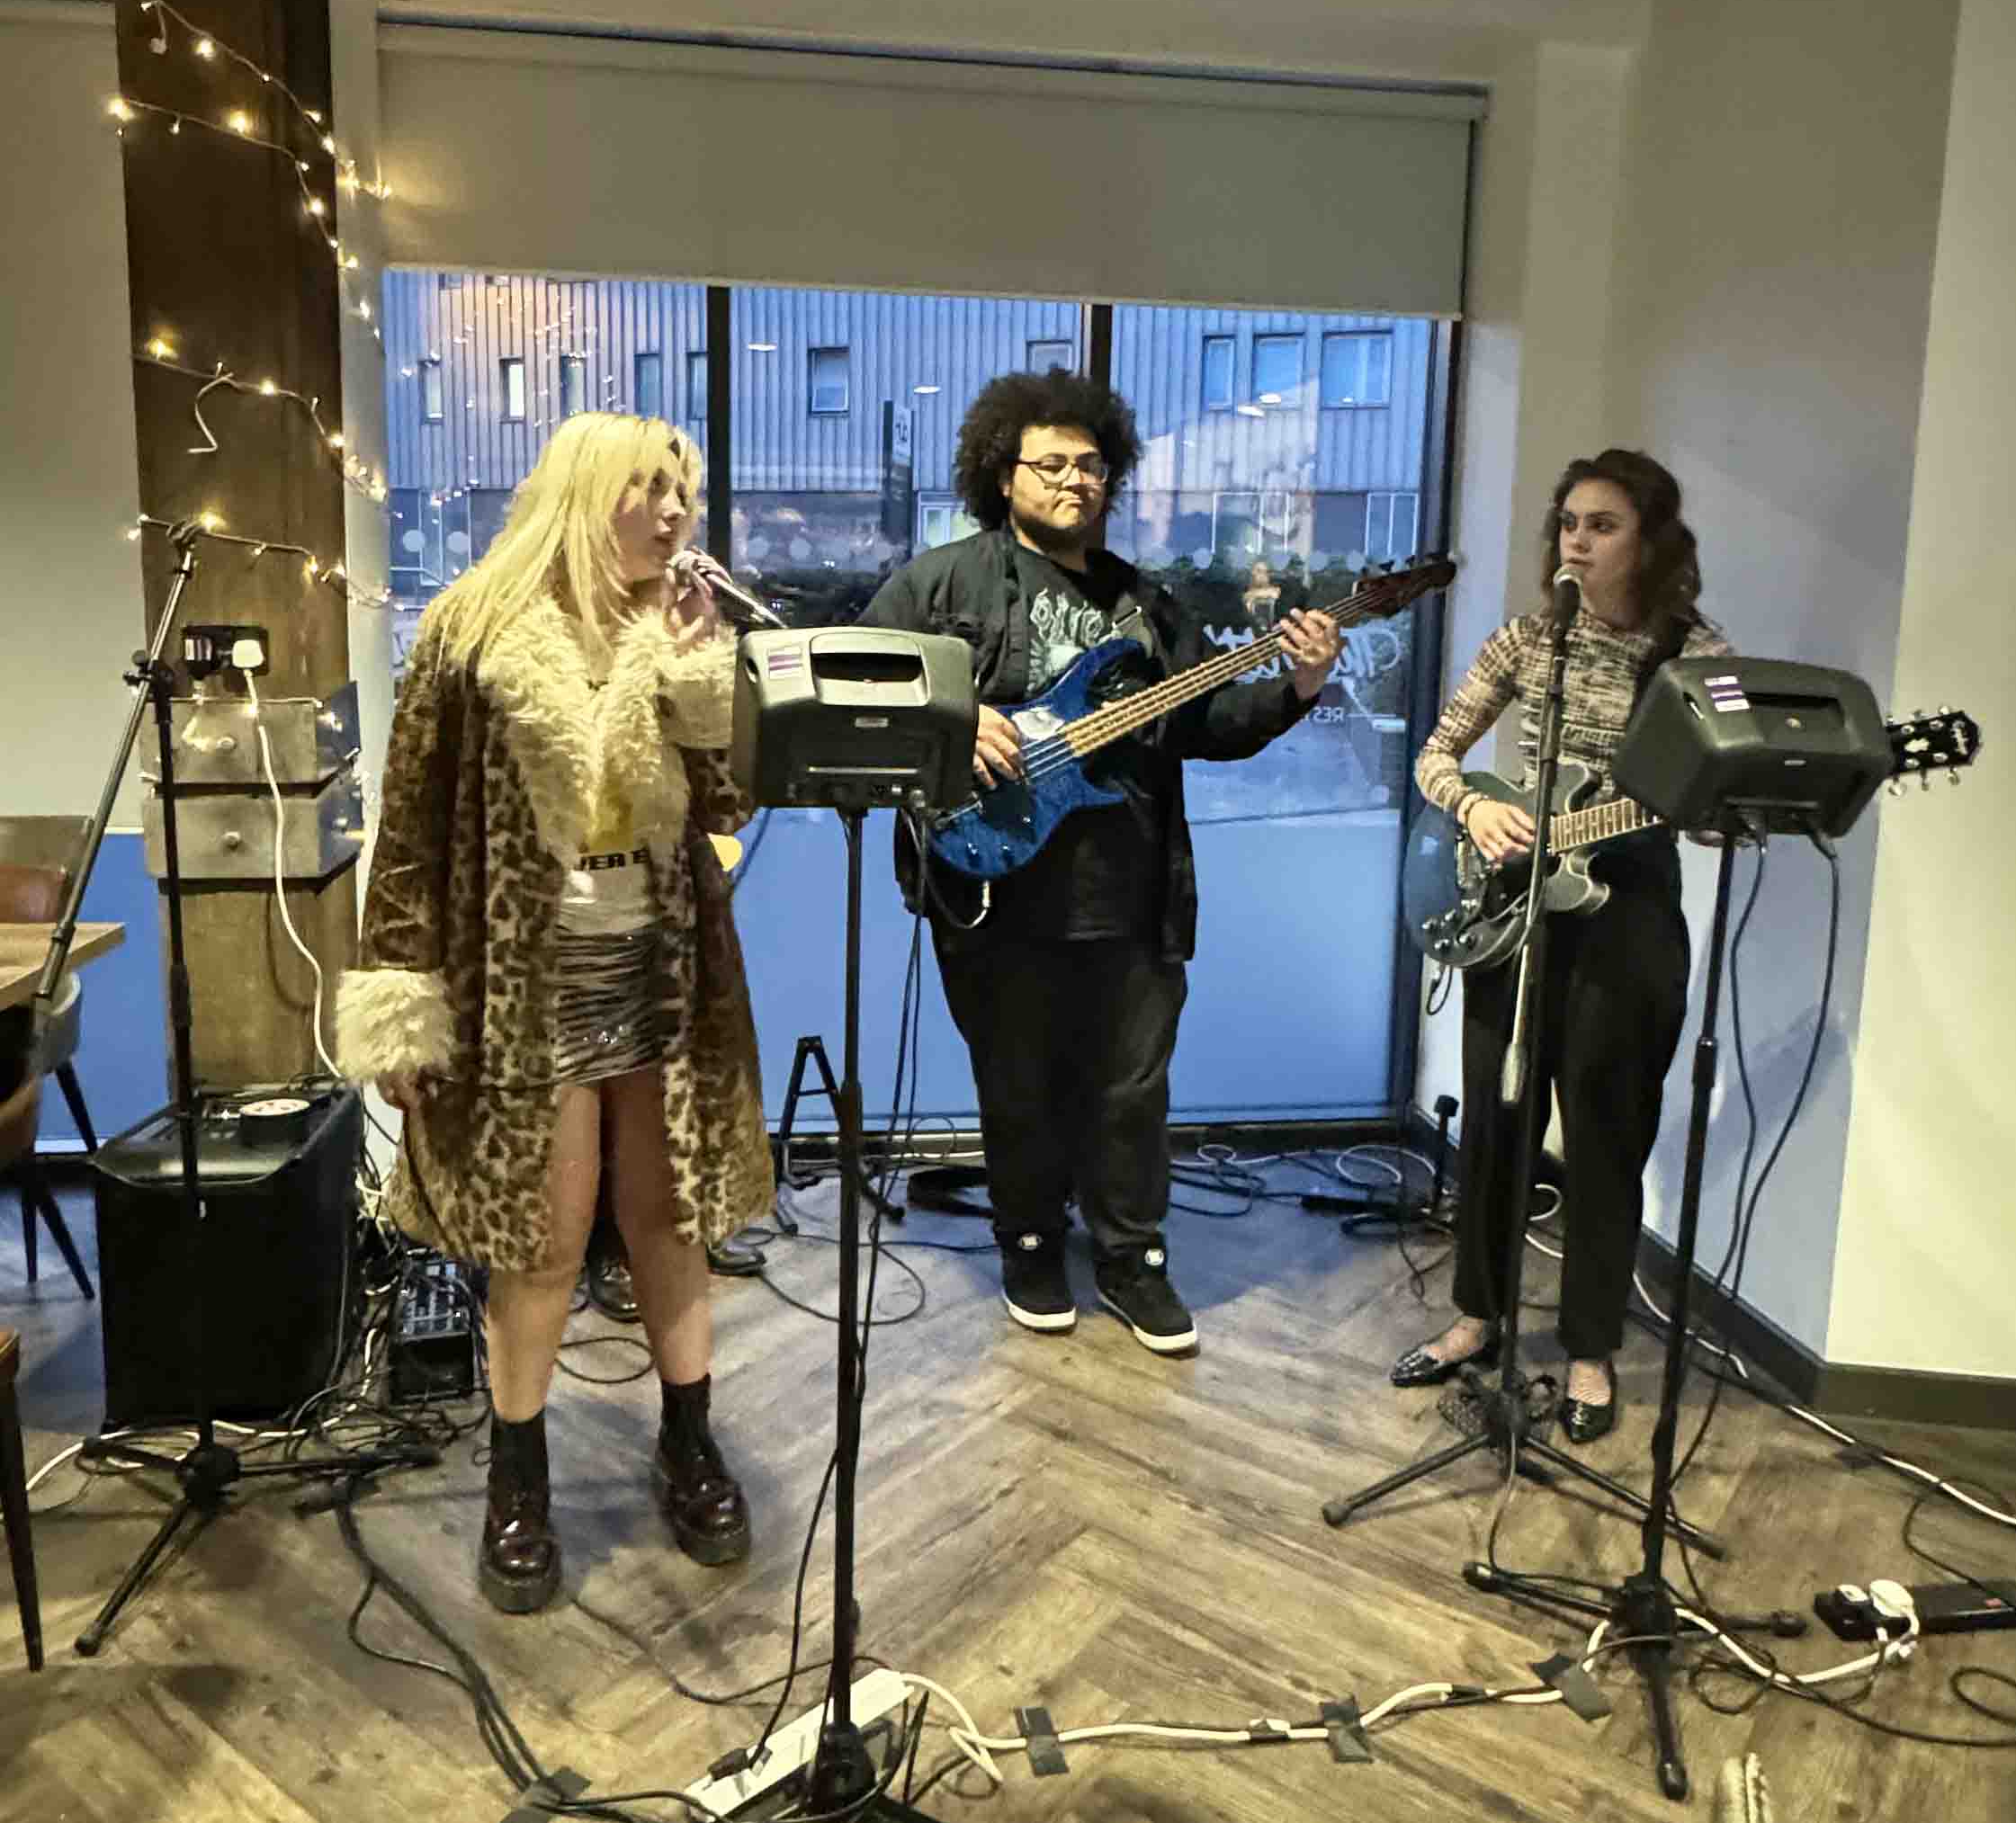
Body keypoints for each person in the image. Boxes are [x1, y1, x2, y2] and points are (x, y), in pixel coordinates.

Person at [337, 412, 774, 1613]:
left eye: (685, 493)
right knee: (538, 1239)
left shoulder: (677, 627)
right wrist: (399, 999)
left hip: (665, 977)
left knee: (672, 1219)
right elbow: (413, 833)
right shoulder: (470, 629)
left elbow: (733, 794)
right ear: (590, 495)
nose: (678, 515)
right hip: (519, 989)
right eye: (654, 491)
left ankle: (688, 1441)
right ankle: (516, 1477)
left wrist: (699, 675)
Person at [861, 369, 1340, 1354]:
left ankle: (1132, 1257)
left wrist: (1298, 685)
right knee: (1019, 1080)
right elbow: (859, 679)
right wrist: (959, 715)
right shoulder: (941, 583)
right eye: (1051, 464)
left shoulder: (1148, 605)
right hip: (992, 879)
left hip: (1130, 888)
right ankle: (1031, 1243)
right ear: (1004, 474)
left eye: (1091, 465)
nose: (1074, 482)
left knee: (1131, 1088)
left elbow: (1209, 720)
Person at [1393, 448, 1730, 1443]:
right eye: (1569, 524)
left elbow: (1709, 809)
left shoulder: (1698, 657)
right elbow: (1436, 755)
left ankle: (1588, 1350)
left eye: (1604, 525)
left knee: (1605, 1132)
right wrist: (1475, 815)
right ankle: (1476, 1317)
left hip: (1627, 908)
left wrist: (1710, 807)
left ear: (1651, 541)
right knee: (1498, 1122)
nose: (1577, 541)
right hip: (1516, 902)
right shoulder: (1526, 642)